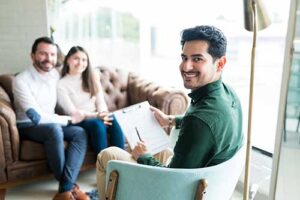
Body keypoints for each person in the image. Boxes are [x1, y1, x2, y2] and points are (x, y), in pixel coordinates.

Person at [96, 25, 244, 199]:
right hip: (204, 179)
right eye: (184, 57)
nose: (186, 67)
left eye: (197, 59)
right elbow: (208, 123)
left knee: (107, 155)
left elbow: (173, 182)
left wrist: (144, 157)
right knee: (162, 150)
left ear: (220, 63)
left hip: (177, 190)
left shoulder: (200, 121)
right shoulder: (228, 94)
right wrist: (171, 120)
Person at [13, 37, 90, 200]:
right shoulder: (21, 80)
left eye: (52, 54)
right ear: (32, 55)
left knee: (80, 132)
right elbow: (36, 118)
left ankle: (65, 188)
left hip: (52, 122)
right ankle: (69, 188)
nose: (49, 59)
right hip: (28, 125)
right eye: (43, 54)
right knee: (54, 130)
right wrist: (68, 119)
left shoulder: (55, 75)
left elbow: (76, 75)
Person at [57, 46, 125, 154]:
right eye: (76, 58)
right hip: (77, 120)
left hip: (96, 115)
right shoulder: (62, 84)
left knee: (112, 119)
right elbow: (73, 113)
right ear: (68, 59)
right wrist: (97, 116)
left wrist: (103, 113)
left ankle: (121, 161)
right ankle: (105, 164)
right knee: (97, 125)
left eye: (84, 60)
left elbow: (100, 101)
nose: (80, 63)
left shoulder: (90, 78)